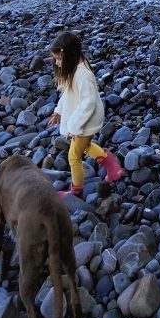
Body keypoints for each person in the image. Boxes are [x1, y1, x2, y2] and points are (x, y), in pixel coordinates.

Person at [47, 30, 123, 198]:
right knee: (86, 146)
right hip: (83, 119)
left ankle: (76, 191)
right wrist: (58, 111)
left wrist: (75, 126)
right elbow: (68, 94)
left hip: (86, 120)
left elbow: (88, 101)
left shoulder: (83, 75)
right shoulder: (75, 69)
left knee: (74, 156)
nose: (57, 64)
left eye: (59, 59)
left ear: (70, 55)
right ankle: (113, 167)